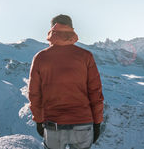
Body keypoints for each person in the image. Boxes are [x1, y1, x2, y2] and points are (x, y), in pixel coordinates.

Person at [28, 14, 104, 149]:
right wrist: (97, 122)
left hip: (53, 125)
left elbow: (34, 94)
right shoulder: (85, 56)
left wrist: (38, 121)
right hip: (83, 124)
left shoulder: (40, 57)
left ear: (52, 30)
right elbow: (95, 92)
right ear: (71, 29)